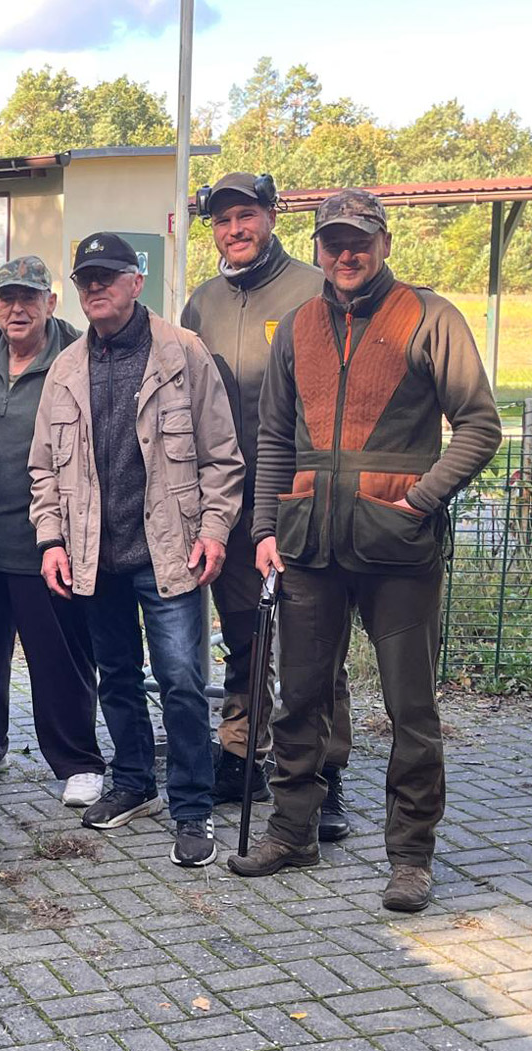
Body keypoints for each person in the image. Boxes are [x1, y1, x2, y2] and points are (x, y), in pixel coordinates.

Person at [228, 190, 501, 911]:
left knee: (412, 710)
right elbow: (274, 440)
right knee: (299, 698)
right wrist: (263, 528)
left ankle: (410, 856)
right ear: (317, 247)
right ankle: (293, 830)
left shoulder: (429, 316)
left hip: (399, 547)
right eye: (333, 242)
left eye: (359, 241)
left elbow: (479, 424)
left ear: (384, 241)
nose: (345, 255)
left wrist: (420, 500)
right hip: (307, 545)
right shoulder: (298, 326)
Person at [29, 232, 244, 867]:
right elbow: (42, 469)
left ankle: (192, 807)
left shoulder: (184, 354)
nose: (95, 288)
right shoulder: (66, 369)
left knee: (181, 678)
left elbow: (222, 456)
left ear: (135, 282)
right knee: (116, 676)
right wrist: (51, 540)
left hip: (169, 549)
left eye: (107, 276)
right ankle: (132, 782)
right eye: (85, 279)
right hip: (96, 554)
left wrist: (214, 530)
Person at [181, 172, 356, 839]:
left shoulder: (315, 291)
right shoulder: (202, 304)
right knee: (244, 638)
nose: (236, 230)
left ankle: (322, 772)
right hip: (229, 501)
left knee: (316, 643)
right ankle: (239, 752)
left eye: (246, 216)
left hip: (302, 500)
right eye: (223, 221)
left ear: (272, 216)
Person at [0, 255, 102, 801]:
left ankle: (77, 763)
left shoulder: (77, 354)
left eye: (28, 298)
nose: (16, 309)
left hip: (47, 538)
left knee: (59, 657)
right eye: (6, 298)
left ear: (50, 302)